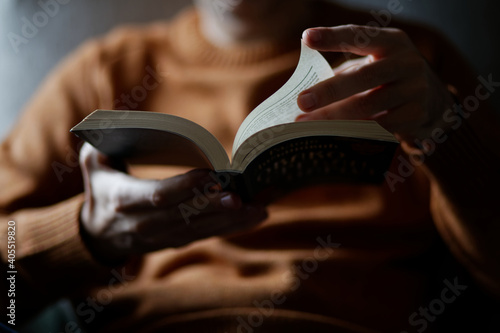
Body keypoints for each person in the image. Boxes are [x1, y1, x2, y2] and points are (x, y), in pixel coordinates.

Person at [1, 0, 499, 332]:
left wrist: (443, 130)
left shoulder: (405, 61)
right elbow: (6, 285)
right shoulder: (106, 72)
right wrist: (88, 234)